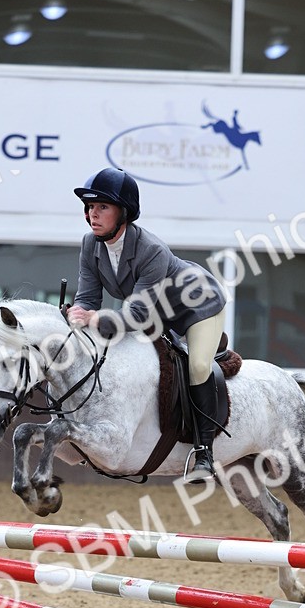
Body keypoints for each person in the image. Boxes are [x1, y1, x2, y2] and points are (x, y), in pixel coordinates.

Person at [67, 167, 227, 483]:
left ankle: (204, 453)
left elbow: (137, 316)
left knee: (196, 366)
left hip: (197, 305)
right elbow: (87, 297)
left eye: (102, 207)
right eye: (89, 207)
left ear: (123, 212)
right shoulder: (90, 244)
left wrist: (97, 319)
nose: (92, 214)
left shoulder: (152, 250)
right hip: (156, 312)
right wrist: (75, 318)